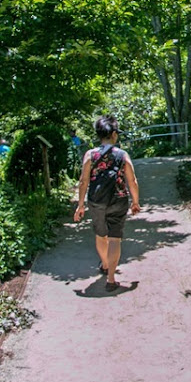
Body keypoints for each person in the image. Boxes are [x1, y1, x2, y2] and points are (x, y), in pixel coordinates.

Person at [74, 115, 140, 291]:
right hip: (118, 199)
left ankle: (104, 264)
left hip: (96, 201)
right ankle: (111, 279)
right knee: (115, 238)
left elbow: (83, 181)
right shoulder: (122, 155)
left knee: (100, 235)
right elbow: (132, 180)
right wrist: (135, 202)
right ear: (114, 134)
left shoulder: (90, 155)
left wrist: (80, 205)